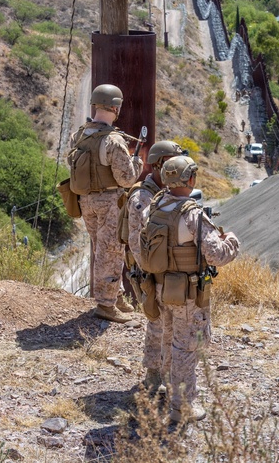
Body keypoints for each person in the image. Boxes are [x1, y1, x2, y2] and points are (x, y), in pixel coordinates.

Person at [143, 156, 240, 423]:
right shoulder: (192, 214)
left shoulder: (154, 205)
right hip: (186, 293)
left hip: (159, 287)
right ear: (191, 180)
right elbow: (217, 255)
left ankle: (168, 389)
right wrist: (231, 239)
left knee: (167, 339)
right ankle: (181, 407)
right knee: (186, 348)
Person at [69, 84, 143, 323]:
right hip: (110, 202)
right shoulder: (113, 141)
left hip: (85, 200)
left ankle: (116, 296)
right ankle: (106, 305)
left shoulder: (79, 135)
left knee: (101, 250)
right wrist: (137, 163)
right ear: (115, 107)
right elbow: (127, 178)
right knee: (111, 252)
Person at [119, 140, 186, 395]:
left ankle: (169, 375)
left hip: (165, 271)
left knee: (171, 325)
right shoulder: (142, 197)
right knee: (157, 322)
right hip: (151, 273)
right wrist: (155, 270)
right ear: (158, 166)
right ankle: (153, 374)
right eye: (171, 164)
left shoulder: (164, 194)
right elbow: (138, 243)